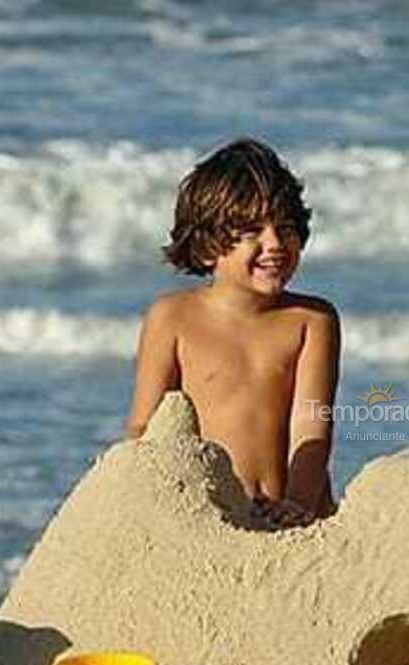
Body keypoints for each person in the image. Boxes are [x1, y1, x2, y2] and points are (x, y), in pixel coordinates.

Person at [125, 138, 340, 526]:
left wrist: (298, 503)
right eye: (251, 231)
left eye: (286, 227)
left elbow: (313, 423)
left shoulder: (312, 320)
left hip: (288, 512)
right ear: (208, 247)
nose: (274, 243)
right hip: (211, 515)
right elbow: (146, 428)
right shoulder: (172, 317)